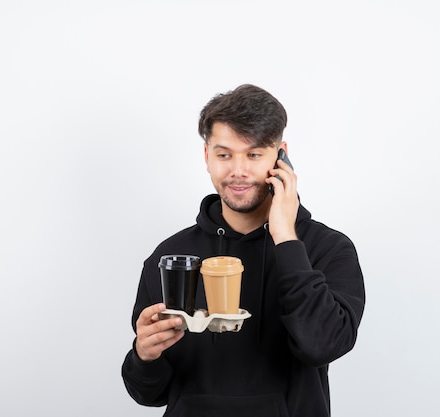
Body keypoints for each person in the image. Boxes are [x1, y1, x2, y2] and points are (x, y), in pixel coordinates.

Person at [121, 84, 365, 417]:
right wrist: (144, 356)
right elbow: (150, 394)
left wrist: (285, 237)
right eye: (224, 155)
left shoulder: (328, 249)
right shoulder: (172, 256)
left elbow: (322, 346)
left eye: (253, 154)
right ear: (207, 156)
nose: (238, 170)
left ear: (281, 156)